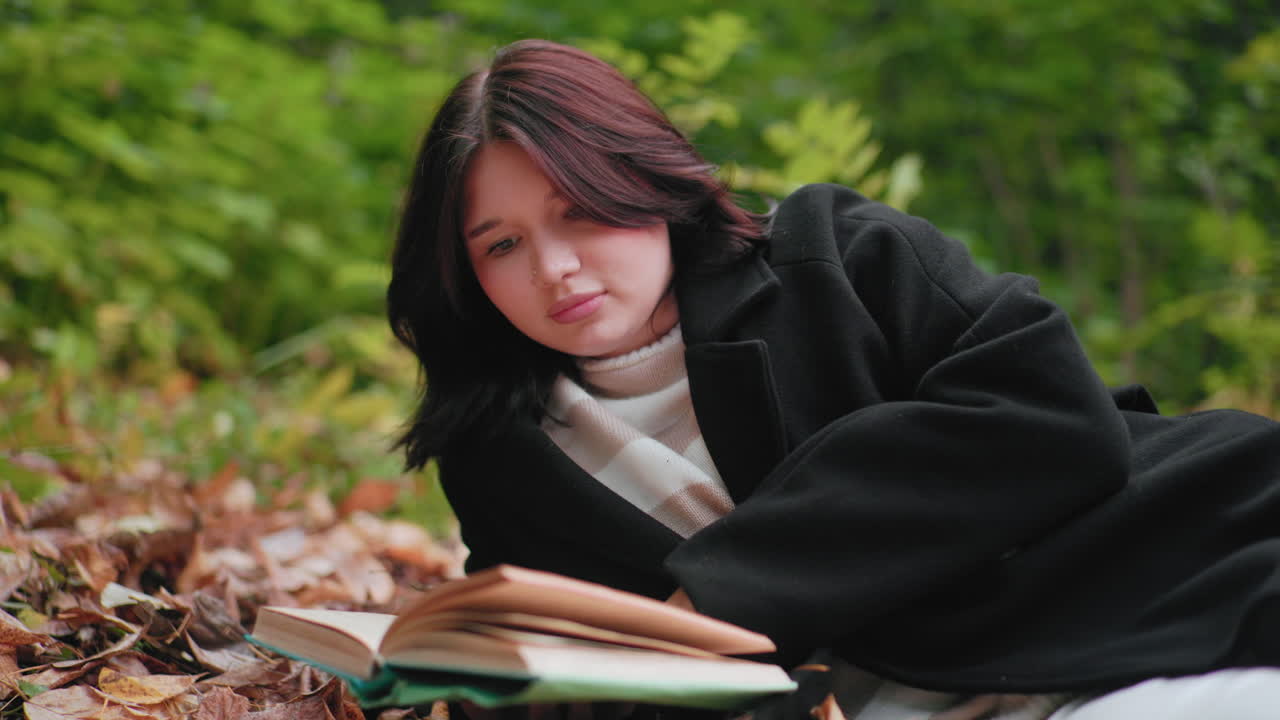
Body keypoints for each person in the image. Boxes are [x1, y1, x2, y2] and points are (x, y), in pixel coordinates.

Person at [385, 39, 1280, 719]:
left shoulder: (834, 256)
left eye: (580, 210)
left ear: (646, 178)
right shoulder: (502, 452)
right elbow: (584, 667)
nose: (555, 270)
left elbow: (1052, 417)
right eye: (502, 245)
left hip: (1157, 598)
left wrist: (724, 591)